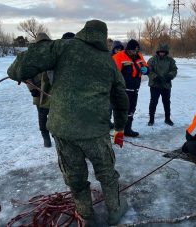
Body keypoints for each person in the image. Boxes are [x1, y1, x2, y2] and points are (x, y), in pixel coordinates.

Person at [7, 20, 129, 226]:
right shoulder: (107, 60)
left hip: (63, 130)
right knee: (107, 173)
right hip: (95, 131)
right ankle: (115, 211)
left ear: (83, 31)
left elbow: (19, 68)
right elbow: (121, 98)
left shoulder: (63, 46)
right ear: (102, 36)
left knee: (75, 176)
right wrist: (119, 127)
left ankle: (86, 215)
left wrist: (19, 70)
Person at [113, 39, 149, 137]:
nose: (135, 53)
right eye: (133, 50)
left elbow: (147, 67)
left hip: (135, 89)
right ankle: (119, 131)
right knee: (121, 110)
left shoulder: (139, 56)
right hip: (123, 91)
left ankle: (128, 129)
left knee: (131, 110)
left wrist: (146, 70)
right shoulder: (119, 57)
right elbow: (114, 75)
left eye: (137, 51)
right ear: (128, 49)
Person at [25, 33, 53, 148]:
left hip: (51, 91)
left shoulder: (53, 55)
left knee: (55, 115)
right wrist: (32, 89)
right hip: (38, 91)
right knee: (42, 116)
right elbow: (26, 75)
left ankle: (56, 135)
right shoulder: (30, 58)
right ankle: (46, 138)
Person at [147, 43, 177, 126]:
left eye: (163, 52)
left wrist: (170, 76)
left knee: (167, 102)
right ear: (158, 52)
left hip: (166, 85)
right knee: (153, 102)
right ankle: (151, 119)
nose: (162, 53)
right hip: (155, 85)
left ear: (166, 52)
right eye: (160, 52)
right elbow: (148, 70)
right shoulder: (152, 60)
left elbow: (174, 70)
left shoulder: (170, 60)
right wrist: (155, 77)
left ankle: (167, 119)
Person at [109, 40, 125, 129]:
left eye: (120, 49)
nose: (118, 50)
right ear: (113, 49)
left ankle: (117, 122)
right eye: (117, 49)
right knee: (109, 105)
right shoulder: (109, 57)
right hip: (110, 84)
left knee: (118, 104)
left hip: (119, 84)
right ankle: (107, 122)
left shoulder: (123, 57)